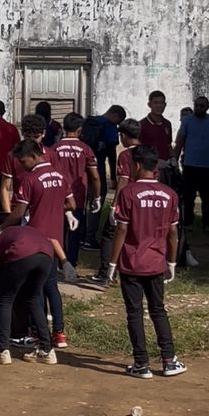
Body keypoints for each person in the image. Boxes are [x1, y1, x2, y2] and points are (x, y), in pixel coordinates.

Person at [105, 145, 185, 379]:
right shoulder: (170, 194)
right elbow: (173, 233)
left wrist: (112, 264)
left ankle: (141, 363)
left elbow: (121, 229)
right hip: (156, 262)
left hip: (131, 262)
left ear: (137, 166)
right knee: (158, 309)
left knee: (134, 312)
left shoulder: (128, 193)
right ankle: (169, 360)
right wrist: (171, 262)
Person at [1, 138, 78, 350]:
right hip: (56, 240)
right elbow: (72, 204)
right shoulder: (61, 176)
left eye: (23, 161)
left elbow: (19, 212)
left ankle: (38, 331)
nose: (21, 166)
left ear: (34, 157)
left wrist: (2, 228)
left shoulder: (30, 179)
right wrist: (56, 207)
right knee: (51, 286)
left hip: (35, 242)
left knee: (34, 290)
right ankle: (59, 332)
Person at [0, 226, 57, 365]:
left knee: (5, 299)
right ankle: (46, 351)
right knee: (33, 299)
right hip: (47, 254)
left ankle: (1, 351)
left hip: (23, 251)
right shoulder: (15, 232)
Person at [82, 117, 142, 289]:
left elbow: (123, 180)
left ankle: (106, 273)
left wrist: (115, 206)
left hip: (128, 200)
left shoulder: (125, 155)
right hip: (145, 200)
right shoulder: (149, 152)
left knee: (109, 235)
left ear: (124, 136)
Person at [50, 112, 100, 265]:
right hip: (77, 197)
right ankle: (71, 262)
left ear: (64, 128)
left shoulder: (54, 149)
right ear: (80, 130)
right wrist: (96, 197)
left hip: (57, 196)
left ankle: (58, 261)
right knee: (74, 231)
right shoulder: (85, 149)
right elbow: (95, 176)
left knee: (58, 229)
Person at [173, 95, 209, 231]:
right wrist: (174, 160)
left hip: (207, 165)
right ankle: (188, 223)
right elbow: (179, 141)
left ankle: (207, 223)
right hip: (190, 164)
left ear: (207, 107)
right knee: (188, 196)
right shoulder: (187, 121)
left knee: (207, 197)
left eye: (202, 106)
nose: (199, 108)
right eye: (197, 105)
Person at [0, 113, 54, 214]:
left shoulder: (51, 154)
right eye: (28, 136)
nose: (32, 141)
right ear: (22, 133)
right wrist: (8, 214)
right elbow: (5, 188)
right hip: (20, 209)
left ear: (44, 133)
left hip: (45, 210)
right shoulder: (12, 156)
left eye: (36, 137)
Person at [139, 92, 173, 165]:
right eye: (156, 103)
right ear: (149, 104)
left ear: (165, 105)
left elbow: (169, 145)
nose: (159, 106)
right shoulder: (141, 125)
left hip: (166, 166)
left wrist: (173, 159)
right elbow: (137, 148)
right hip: (148, 167)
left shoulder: (167, 124)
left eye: (161, 103)